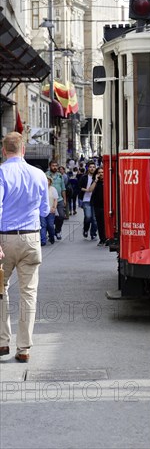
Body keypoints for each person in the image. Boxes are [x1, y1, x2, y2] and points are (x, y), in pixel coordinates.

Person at [0, 132, 49, 362]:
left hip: (5, 239)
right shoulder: (38, 174)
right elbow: (45, 210)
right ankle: (24, 348)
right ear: (24, 150)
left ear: (3, 151)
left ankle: (2, 341)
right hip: (31, 238)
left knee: (1, 289)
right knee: (29, 293)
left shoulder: (1, 173)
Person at [45, 160, 66, 240]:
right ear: (50, 166)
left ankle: (57, 231)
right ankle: (50, 232)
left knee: (61, 216)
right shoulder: (45, 175)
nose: (55, 167)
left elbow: (63, 188)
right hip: (48, 199)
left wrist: (64, 199)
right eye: (53, 165)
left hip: (59, 199)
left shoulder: (60, 176)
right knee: (48, 217)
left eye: (56, 165)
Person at [79, 160, 98, 240]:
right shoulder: (84, 177)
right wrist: (87, 190)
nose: (92, 169)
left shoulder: (98, 177)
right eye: (90, 167)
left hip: (95, 200)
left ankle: (93, 233)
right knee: (88, 217)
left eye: (93, 167)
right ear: (88, 168)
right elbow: (79, 187)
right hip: (86, 199)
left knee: (94, 219)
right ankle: (86, 229)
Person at [90, 166, 106, 247]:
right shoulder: (95, 182)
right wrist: (96, 180)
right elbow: (90, 190)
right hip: (97, 205)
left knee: (105, 223)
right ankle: (102, 239)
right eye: (99, 172)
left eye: (102, 172)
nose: (101, 174)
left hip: (106, 205)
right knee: (99, 223)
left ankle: (107, 238)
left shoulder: (108, 181)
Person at [40, 176, 58, 245]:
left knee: (50, 225)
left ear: (50, 182)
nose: (47, 182)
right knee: (43, 225)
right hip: (42, 211)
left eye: (48, 180)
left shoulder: (53, 189)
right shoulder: (40, 189)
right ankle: (43, 240)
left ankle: (51, 236)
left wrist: (54, 207)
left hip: (51, 210)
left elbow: (55, 199)